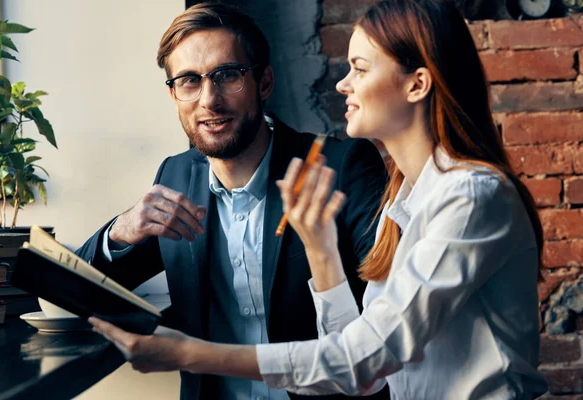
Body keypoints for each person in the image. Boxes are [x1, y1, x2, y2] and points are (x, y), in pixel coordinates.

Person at [89, 0, 550, 398]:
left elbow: (366, 357)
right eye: (188, 81)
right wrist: (321, 250)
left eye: (360, 68)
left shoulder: (468, 196)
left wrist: (189, 354)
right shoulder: (410, 196)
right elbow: (361, 370)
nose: (342, 84)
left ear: (416, 84)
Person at [76, 3, 388, 400]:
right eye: (189, 80)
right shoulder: (174, 177)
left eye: (227, 75)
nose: (209, 99)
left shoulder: (341, 167)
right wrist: (120, 232)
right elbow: (77, 292)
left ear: (264, 82)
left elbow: (385, 327)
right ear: (173, 94)